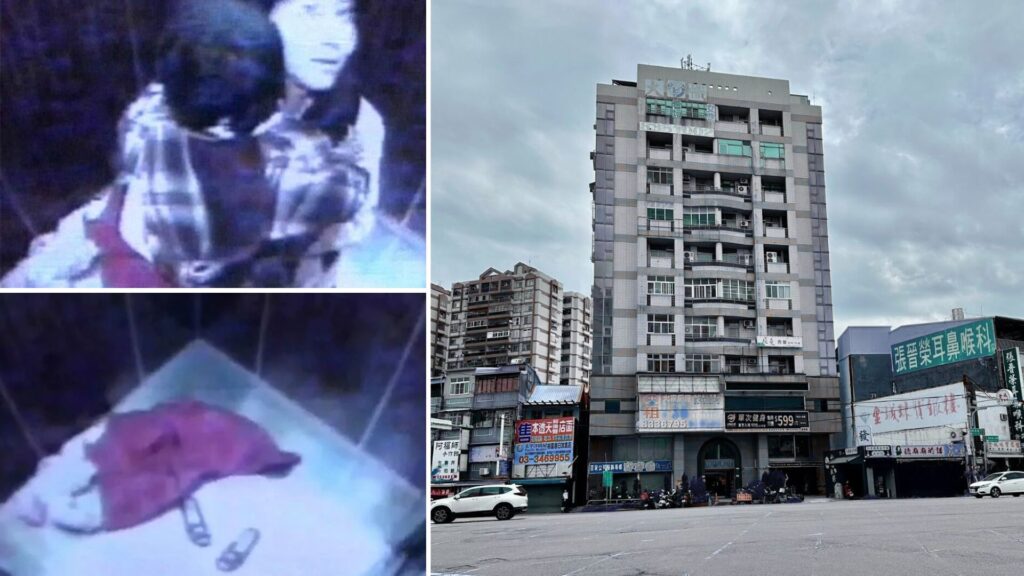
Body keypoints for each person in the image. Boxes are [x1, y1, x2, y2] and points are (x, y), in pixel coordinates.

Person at [2, 0, 422, 288]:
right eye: (310, 10)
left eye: (343, 14)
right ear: (262, 15)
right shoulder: (194, 92)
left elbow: (352, 225)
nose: (335, 37)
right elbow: (129, 184)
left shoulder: (359, 122)